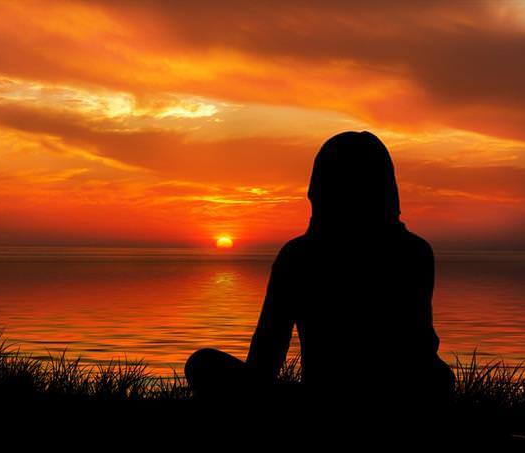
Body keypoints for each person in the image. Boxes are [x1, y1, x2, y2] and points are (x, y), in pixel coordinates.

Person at [184, 131, 455, 407]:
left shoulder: (298, 256)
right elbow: (420, 347)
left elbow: (267, 352)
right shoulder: (415, 251)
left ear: (318, 188)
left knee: (202, 364)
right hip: (406, 396)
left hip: (326, 400)